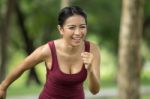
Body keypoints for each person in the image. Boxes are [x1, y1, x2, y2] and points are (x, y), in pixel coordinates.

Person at [0, 6, 100, 99]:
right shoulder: (48, 50)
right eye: (72, 27)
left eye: (82, 27)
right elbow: (22, 66)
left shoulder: (92, 49)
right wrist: (3, 87)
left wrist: (90, 69)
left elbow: (95, 91)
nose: (78, 32)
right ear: (61, 29)